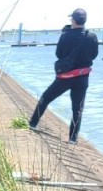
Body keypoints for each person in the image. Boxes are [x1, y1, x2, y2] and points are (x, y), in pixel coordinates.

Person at [27, 8, 98, 144]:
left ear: (73, 20)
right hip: (83, 78)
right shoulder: (92, 36)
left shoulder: (65, 35)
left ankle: (33, 123)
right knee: (77, 109)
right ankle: (72, 139)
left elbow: (58, 54)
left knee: (46, 97)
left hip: (65, 77)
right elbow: (94, 55)